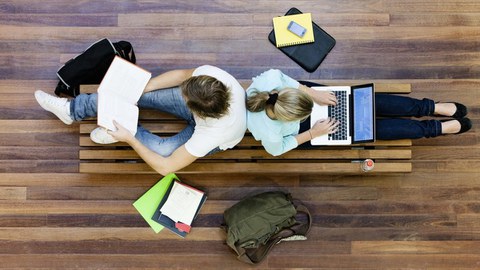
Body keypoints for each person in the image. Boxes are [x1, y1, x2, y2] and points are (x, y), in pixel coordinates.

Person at [35, 65, 247, 175]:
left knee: (163, 151)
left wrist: (131, 139)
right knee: (132, 93)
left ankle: (122, 131)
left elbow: (167, 167)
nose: (180, 93)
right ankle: (71, 110)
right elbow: (183, 74)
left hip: (215, 137)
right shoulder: (212, 78)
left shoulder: (212, 134)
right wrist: (145, 88)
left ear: (195, 110)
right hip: (208, 113)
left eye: (185, 96)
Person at [246, 69, 472, 156]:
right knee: (364, 129)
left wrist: (314, 95)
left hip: (308, 96)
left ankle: (430, 107)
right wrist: (313, 133)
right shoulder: (269, 134)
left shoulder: (270, 81)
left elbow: (289, 81)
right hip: (306, 131)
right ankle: (432, 128)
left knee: (364, 103)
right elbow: (278, 149)